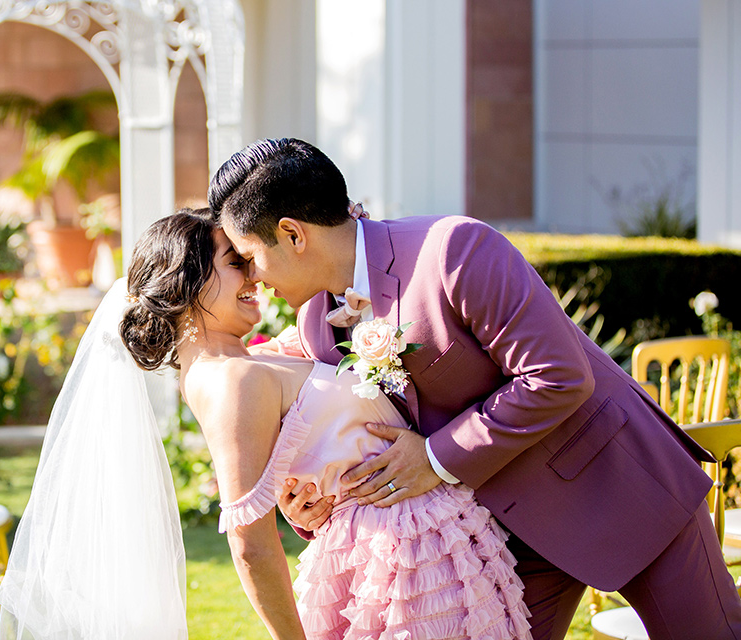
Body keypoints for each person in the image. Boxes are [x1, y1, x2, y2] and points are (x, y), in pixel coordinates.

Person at [207, 137, 741, 640]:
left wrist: (435, 458)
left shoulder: (454, 250)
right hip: (506, 537)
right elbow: (356, 429)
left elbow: (557, 376)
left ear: (294, 234)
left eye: (250, 257)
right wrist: (316, 503)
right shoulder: (316, 326)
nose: (252, 279)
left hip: (621, 485)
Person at [0, 208, 530, 640]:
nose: (254, 275)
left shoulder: (248, 362)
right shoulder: (231, 381)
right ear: (186, 283)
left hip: (423, 540)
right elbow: (250, 543)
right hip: (400, 561)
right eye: (235, 261)